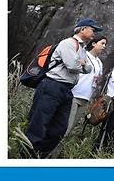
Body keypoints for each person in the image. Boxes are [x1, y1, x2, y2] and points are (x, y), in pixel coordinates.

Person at [24, 18, 100, 158]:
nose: (94, 33)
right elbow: (73, 66)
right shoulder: (68, 43)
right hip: (52, 85)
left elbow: (88, 69)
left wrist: (81, 63)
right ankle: (26, 157)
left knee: (60, 128)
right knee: (39, 124)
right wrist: (81, 64)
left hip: (66, 90)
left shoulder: (82, 49)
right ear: (82, 29)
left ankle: (39, 154)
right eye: (93, 30)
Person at [65, 36, 107, 136]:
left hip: (86, 98)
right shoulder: (84, 55)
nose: (104, 46)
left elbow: (96, 79)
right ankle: (47, 150)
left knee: (70, 129)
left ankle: (55, 151)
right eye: (102, 43)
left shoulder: (99, 63)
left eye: (105, 44)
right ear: (93, 44)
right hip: (74, 94)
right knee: (66, 126)